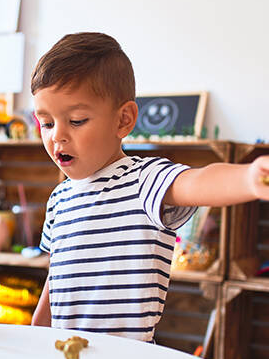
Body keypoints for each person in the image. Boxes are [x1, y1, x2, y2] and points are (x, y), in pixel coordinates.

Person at [30, 32, 269, 343]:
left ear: (124, 120)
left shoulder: (144, 180)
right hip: (66, 355)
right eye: (47, 123)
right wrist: (39, 326)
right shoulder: (59, 199)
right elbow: (58, 272)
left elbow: (197, 182)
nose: (57, 136)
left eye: (76, 121)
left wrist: (249, 178)